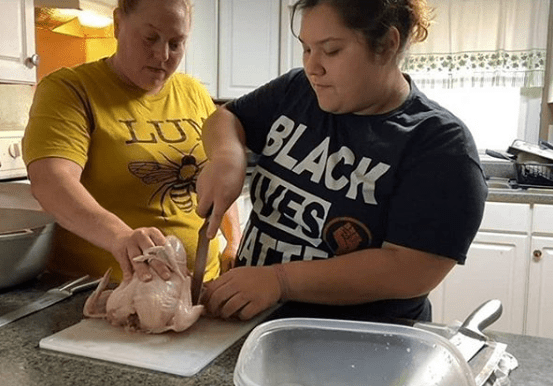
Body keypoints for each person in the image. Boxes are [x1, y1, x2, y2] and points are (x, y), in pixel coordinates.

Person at [195, 0, 488, 323]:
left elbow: (411, 270)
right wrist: (227, 156)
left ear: (388, 45)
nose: (312, 66)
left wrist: (280, 280)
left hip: (358, 348)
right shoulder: (297, 91)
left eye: (331, 51)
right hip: (256, 327)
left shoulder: (439, 144)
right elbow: (226, 117)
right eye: (306, 49)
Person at [22, 0, 241, 284]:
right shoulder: (70, 89)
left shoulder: (193, 92)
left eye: (176, 44)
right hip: (102, 290)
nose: (162, 55)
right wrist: (120, 237)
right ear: (118, 24)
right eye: (150, 38)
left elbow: (218, 176)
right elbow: (51, 182)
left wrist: (234, 240)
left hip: (200, 285)